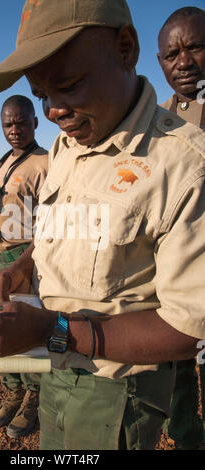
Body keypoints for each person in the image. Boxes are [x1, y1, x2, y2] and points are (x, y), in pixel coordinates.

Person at [0, 0, 205, 450]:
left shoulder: (185, 165)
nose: (53, 110)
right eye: (42, 95)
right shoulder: (65, 147)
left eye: (69, 86)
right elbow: (65, 223)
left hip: (115, 388)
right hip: (53, 365)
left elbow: (190, 329)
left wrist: (47, 330)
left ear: (126, 49)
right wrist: (24, 266)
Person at [0, 95, 48, 438]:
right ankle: (13, 391)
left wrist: (24, 264)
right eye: (7, 124)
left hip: (26, 260)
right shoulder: (4, 162)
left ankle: (34, 397)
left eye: (20, 122)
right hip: (1, 258)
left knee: (24, 328)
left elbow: (50, 225)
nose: (14, 130)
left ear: (34, 122)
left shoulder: (45, 163)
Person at [157, 6, 205, 450]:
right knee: (178, 382)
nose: (184, 61)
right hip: (178, 288)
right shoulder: (158, 125)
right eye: (173, 53)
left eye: (196, 47)